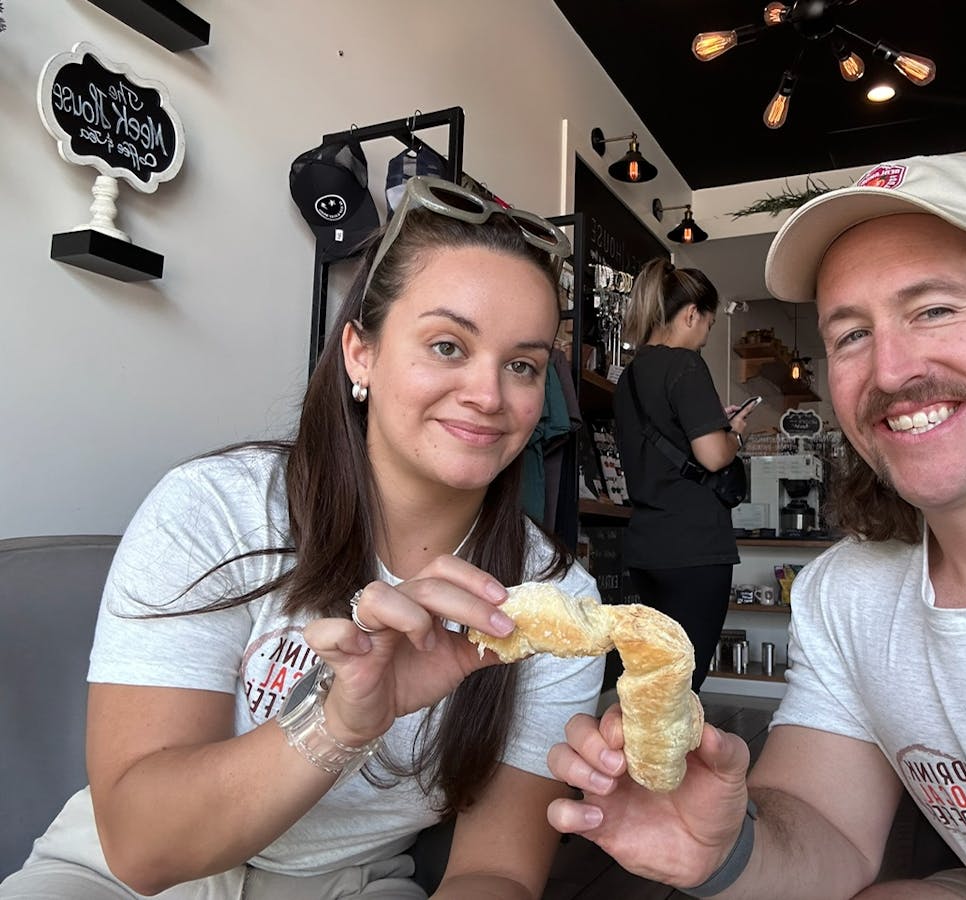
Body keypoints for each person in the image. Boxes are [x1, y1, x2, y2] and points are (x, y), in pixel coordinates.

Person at [544, 154, 966, 898]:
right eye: (852, 333)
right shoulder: (847, 595)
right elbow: (823, 824)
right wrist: (725, 848)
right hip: (691, 543)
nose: (890, 371)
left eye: (934, 310)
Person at [0, 175, 605, 899]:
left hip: (349, 885)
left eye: (522, 366)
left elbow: (495, 871)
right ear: (360, 353)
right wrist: (338, 722)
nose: (488, 395)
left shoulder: (554, 602)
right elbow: (140, 846)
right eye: (448, 345)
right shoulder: (216, 509)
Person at [612, 258, 757, 692]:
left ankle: (639, 736)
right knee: (684, 681)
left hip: (646, 547)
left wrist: (712, 424)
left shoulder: (629, 377)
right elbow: (713, 458)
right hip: (694, 546)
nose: (706, 336)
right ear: (692, 314)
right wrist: (734, 434)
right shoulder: (686, 365)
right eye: (709, 325)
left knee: (654, 674)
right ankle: (667, 740)